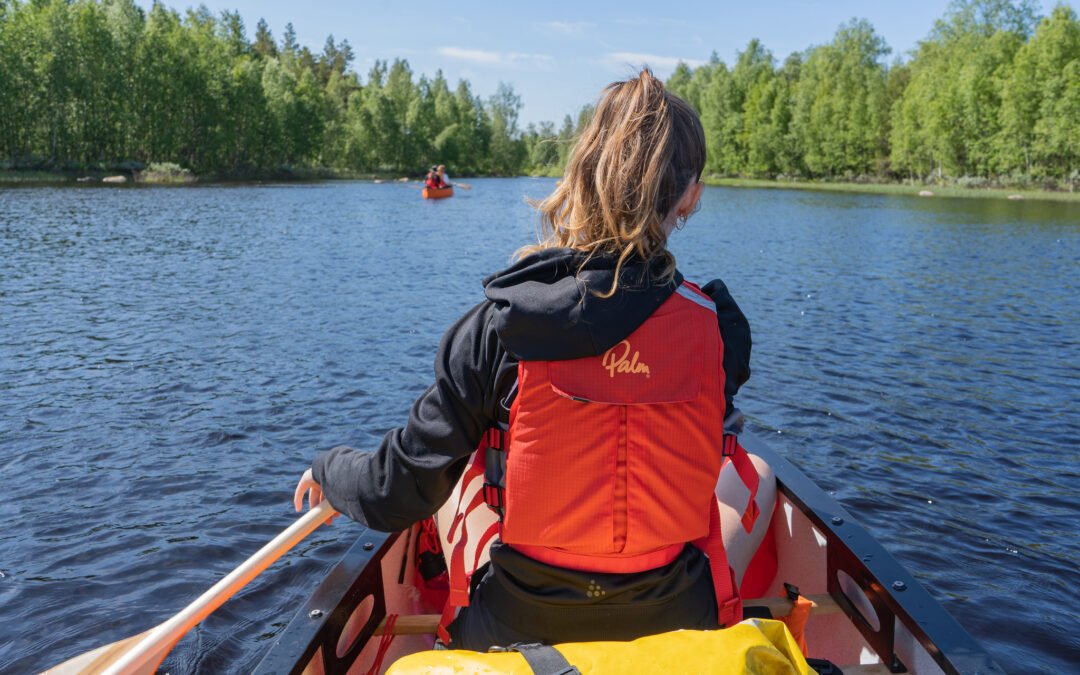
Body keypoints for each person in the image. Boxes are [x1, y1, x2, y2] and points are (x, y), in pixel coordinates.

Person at [294, 69, 754, 651]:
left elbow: (394, 494)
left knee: (462, 478)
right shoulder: (720, 328)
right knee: (754, 471)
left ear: (578, 178)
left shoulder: (499, 328)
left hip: (519, 626)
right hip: (678, 615)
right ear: (691, 195)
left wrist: (330, 469)